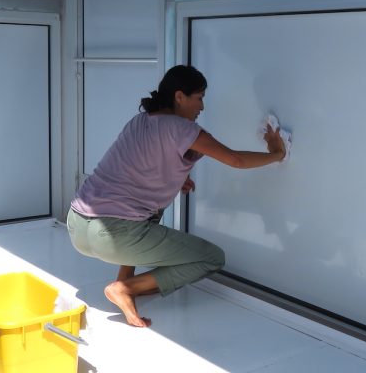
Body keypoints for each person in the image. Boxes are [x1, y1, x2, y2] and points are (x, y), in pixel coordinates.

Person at [67, 65, 286, 327]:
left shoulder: (139, 121)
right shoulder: (182, 129)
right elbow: (236, 160)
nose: (202, 106)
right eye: (199, 97)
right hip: (114, 235)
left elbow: (136, 163)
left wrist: (177, 178)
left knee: (147, 209)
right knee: (211, 258)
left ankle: (124, 281)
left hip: (77, 225)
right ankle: (126, 288)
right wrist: (276, 154)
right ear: (180, 96)